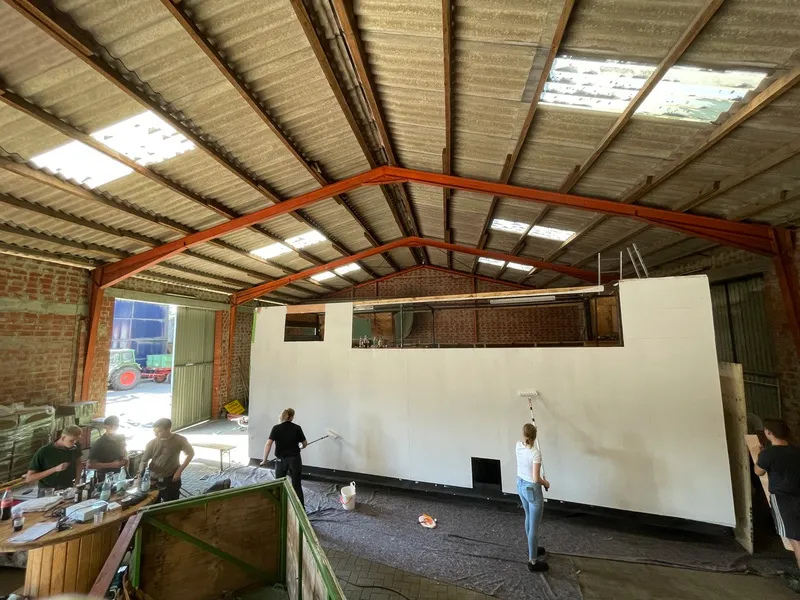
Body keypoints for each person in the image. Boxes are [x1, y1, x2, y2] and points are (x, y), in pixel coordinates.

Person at [755, 419, 800, 568]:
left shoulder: (768, 454)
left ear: (769, 433)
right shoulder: (797, 450)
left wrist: (760, 455)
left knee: (796, 540)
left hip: (783, 500)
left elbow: (758, 472)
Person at [516, 423, 550, 572]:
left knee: (528, 516)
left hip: (520, 485)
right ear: (535, 436)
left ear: (523, 435)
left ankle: (533, 547)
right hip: (532, 489)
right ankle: (533, 562)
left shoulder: (518, 446)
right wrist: (546, 483)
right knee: (534, 526)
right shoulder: (535, 453)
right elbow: (536, 478)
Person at [137, 418, 194, 503]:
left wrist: (179, 471)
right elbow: (144, 461)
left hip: (171, 478)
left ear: (168, 429)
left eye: (159, 431)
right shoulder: (151, 443)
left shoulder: (180, 440)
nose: (155, 434)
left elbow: (190, 454)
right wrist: (141, 474)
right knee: (153, 504)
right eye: (154, 431)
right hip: (154, 479)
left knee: (171, 504)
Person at [261, 408, 307, 506]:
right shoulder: (297, 428)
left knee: (279, 485)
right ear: (292, 417)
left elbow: (268, 444)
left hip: (280, 461)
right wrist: (301, 446)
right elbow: (304, 443)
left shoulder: (276, 428)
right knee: (297, 486)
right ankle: (301, 509)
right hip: (295, 460)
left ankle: (279, 507)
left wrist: (264, 460)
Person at [26, 425, 84, 491]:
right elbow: (29, 478)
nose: (74, 443)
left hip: (68, 487)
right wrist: (55, 469)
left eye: (77, 440)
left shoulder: (74, 447)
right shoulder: (44, 452)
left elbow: (78, 464)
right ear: (63, 438)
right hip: (47, 489)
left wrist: (77, 482)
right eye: (71, 441)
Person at [87, 416, 128, 482]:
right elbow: (89, 465)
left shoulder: (120, 437)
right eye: (111, 426)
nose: (114, 428)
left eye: (116, 425)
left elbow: (124, 449)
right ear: (105, 426)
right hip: (105, 478)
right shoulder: (99, 443)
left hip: (121, 474)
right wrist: (112, 464)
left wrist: (125, 457)